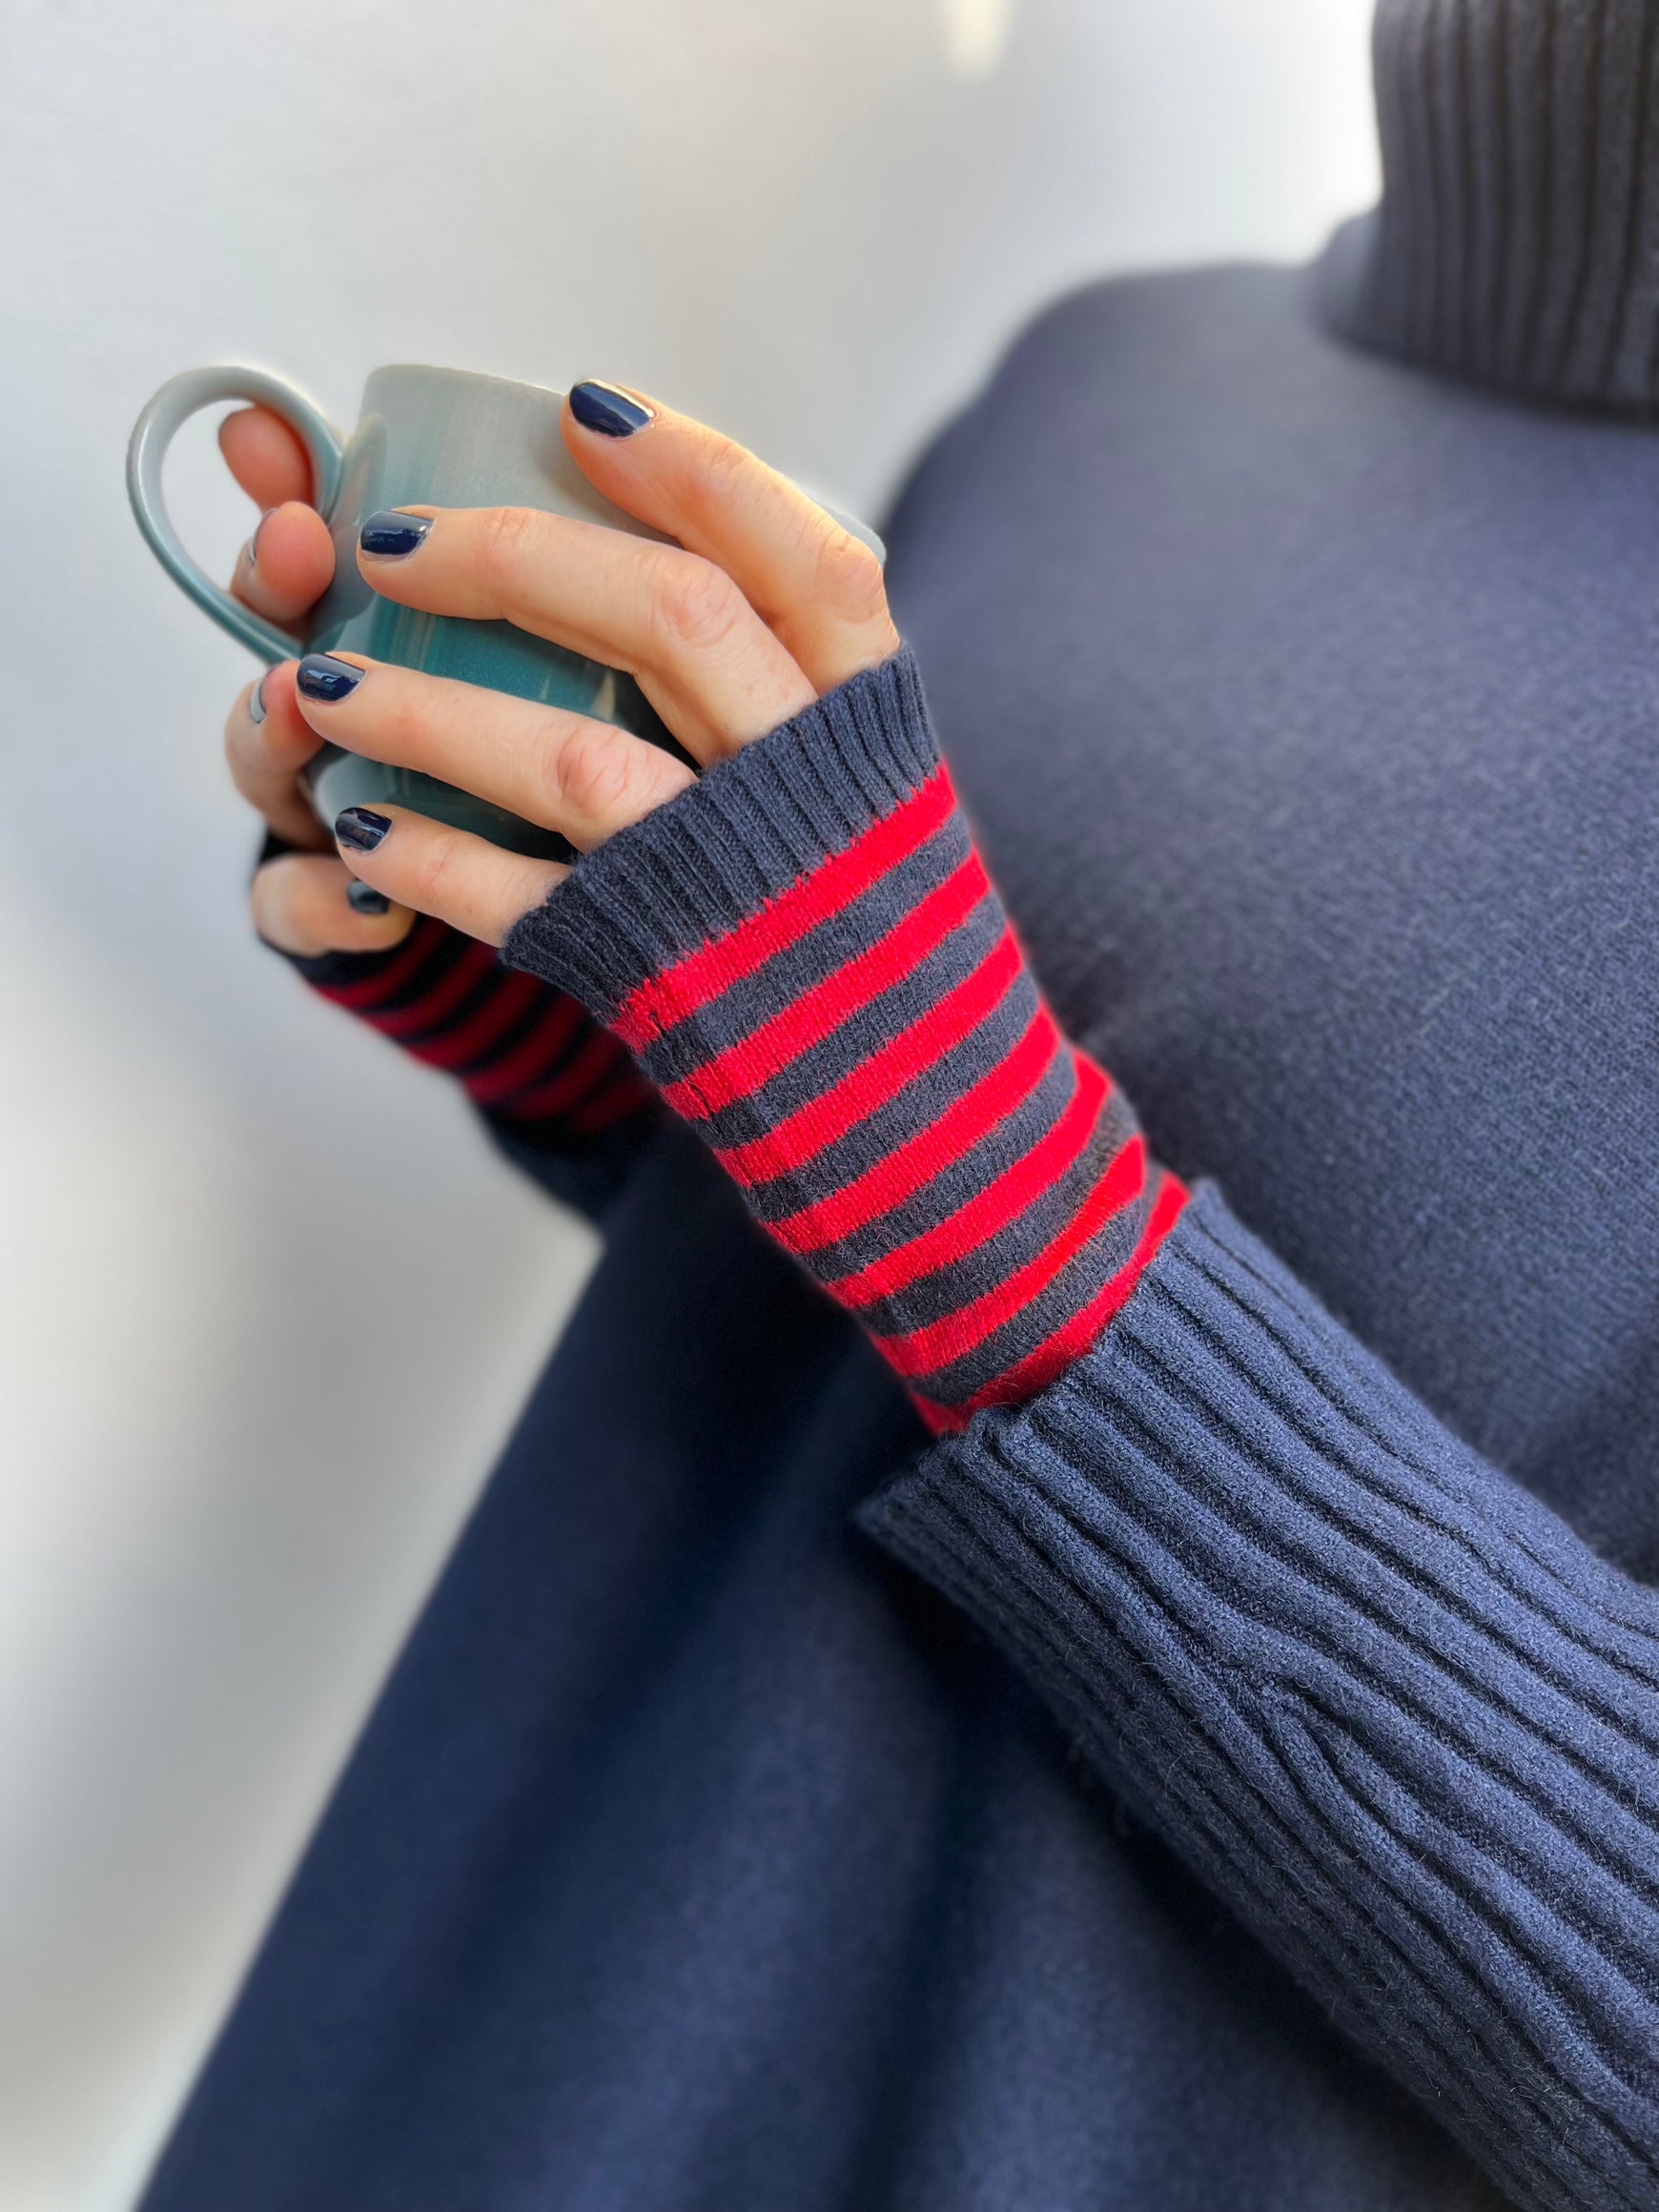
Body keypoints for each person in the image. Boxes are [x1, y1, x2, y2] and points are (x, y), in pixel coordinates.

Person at [140, 4, 1659, 2207]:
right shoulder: (1117, 376)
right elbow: (852, 1293)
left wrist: (976, 1168)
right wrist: (594, 1010)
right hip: (425, 2041)